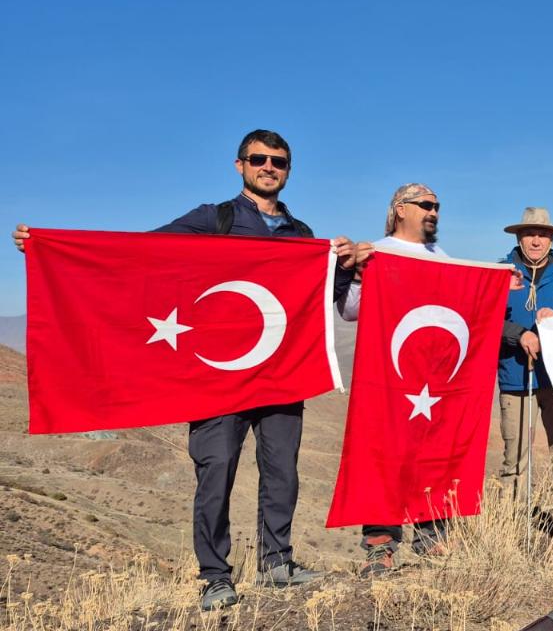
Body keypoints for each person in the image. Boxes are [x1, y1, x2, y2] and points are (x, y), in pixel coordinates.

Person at [13, 129, 359, 611]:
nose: (269, 167)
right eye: (258, 159)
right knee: (216, 470)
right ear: (239, 165)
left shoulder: (301, 235)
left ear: (288, 170)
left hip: (279, 372)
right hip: (216, 377)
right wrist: (53, 248)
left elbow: (319, 301)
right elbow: (139, 255)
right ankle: (215, 576)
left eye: (278, 161)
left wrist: (340, 266)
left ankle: (277, 562)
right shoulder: (213, 218)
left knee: (282, 470)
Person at [336, 183, 452, 576]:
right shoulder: (379, 252)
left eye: (436, 205)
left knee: (431, 452)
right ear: (400, 210)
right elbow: (350, 312)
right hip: (386, 376)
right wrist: (354, 274)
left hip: (433, 377)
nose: (433, 211)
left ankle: (432, 534)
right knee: (383, 456)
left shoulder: (443, 258)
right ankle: (380, 544)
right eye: (425, 204)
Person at [496, 207, 553, 511]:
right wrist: (519, 334)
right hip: (515, 376)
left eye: (543, 234)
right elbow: (486, 318)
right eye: (529, 234)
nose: (536, 240)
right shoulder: (500, 273)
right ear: (519, 237)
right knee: (516, 456)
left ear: (552, 239)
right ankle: (511, 525)